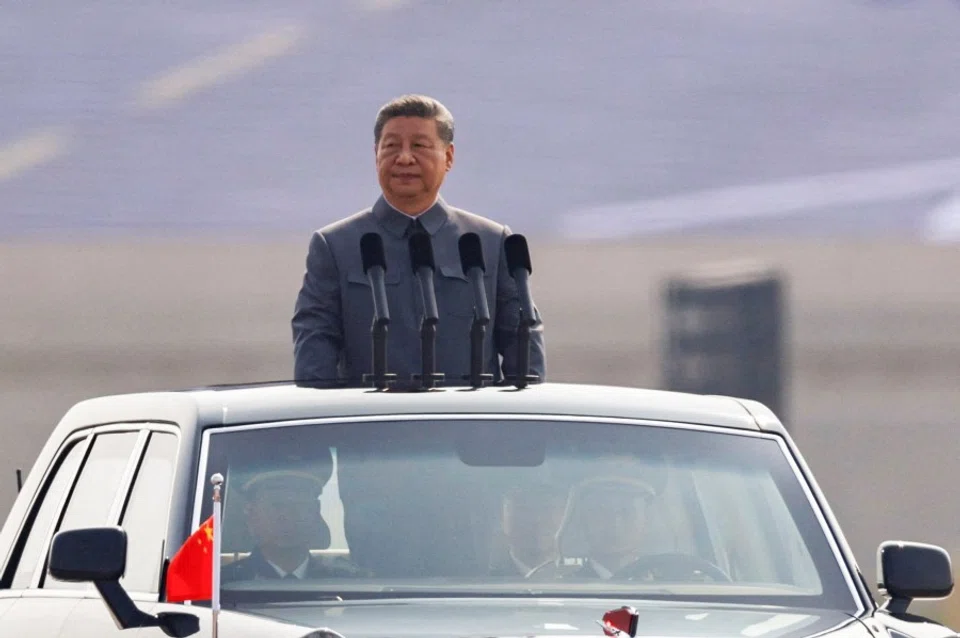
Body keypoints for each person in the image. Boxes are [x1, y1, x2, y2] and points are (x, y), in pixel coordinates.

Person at [291, 94, 546, 387]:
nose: (404, 158)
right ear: (376, 154)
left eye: (419, 146)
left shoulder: (490, 242)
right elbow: (315, 346)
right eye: (391, 146)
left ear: (448, 156)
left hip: (467, 424)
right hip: (371, 425)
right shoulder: (335, 245)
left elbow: (524, 351)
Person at [221, 468, 368, 581]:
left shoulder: (347, 582)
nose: (288, 516)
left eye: (300, 505)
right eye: (276, 506)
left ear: (316, 513)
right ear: (252, 516)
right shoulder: (222, 587)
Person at [489, 482, 574, 579]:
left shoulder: (588, 581)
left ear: (567, 518)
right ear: (501, 520)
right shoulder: (481, 581)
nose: (537, 520)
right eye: (523, 510)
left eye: (547, 509)